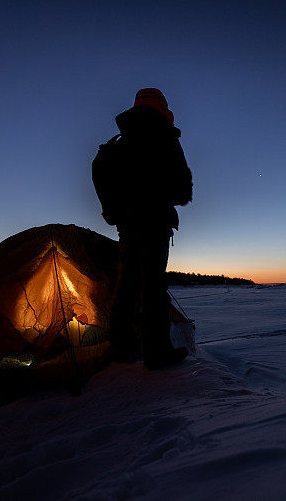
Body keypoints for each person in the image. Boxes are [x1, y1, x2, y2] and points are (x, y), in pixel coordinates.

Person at [98, 88, 192, 369]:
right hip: (154, 220)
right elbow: (182, 189)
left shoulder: (121, 139)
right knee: (153, 283)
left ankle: (121, 348)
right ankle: (156, 352)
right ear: (162, 106)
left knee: (126, 282)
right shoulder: (165, 137)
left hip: (127, 223)